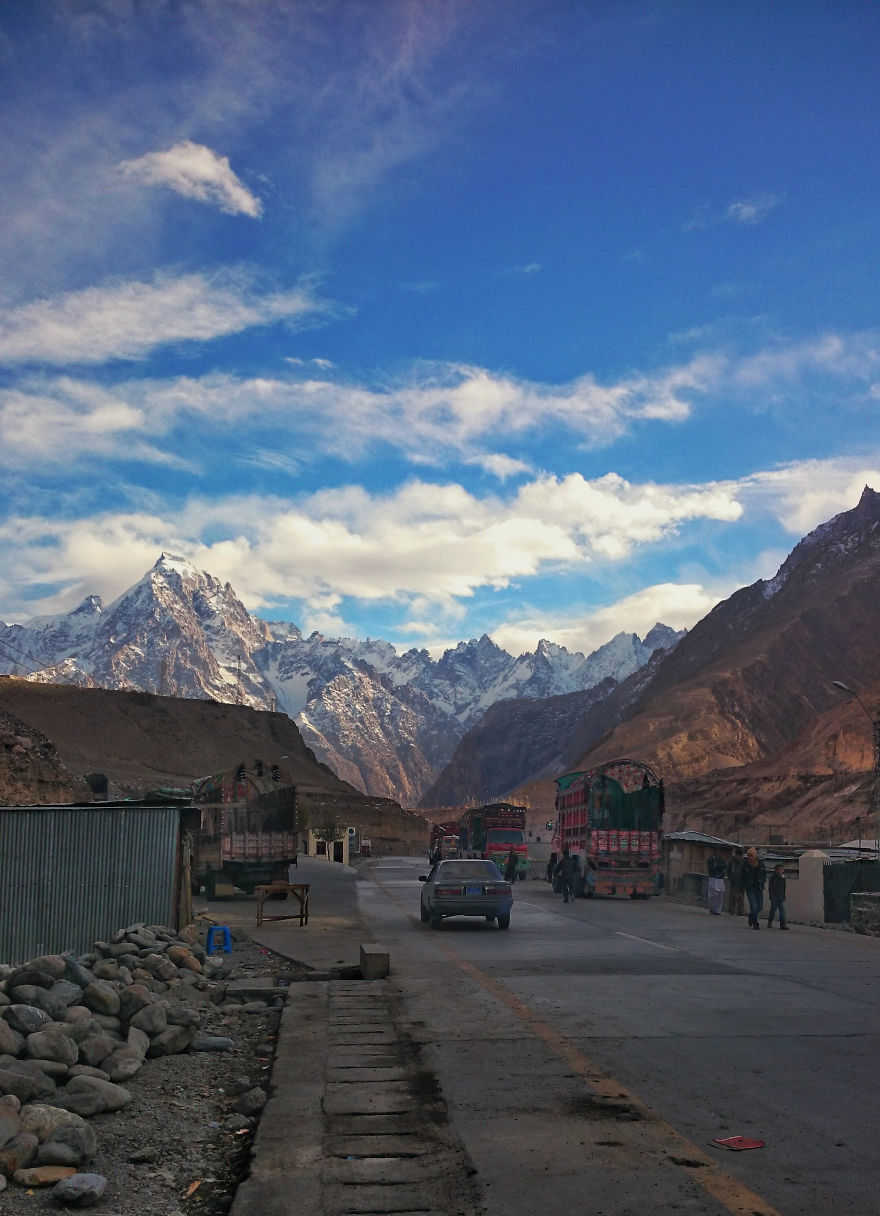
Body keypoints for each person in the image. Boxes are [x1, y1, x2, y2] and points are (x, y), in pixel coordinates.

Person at [742, 847, 767, 929]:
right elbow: (741, 876)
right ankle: (755, 923)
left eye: (751, 855)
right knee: (754, 906)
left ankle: (751, 916)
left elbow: (764, 874)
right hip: (750, 888)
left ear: (755, 855)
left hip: (759, 887)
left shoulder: (761, 864)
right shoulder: (745, 865)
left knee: (760, 907)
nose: (750, 857)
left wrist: (763, 881)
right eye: (748, 855)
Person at [767, 863, 789, 929]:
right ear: (776, 870)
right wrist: (772, 896)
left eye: (781, 869)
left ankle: (783, 925)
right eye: (779, 869)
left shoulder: (783, 878)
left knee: (782, 911)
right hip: (774, 897)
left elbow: (784, 887)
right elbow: (770, 887)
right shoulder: (773, 878)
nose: (780, 871)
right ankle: (770, 922)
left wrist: (783, 895)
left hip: (781, 897)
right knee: (772, 911)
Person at [726, 847, 746, 916]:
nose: (738, 857)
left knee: (741, 897)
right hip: (733, 881)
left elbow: (745, 872)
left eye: (739, 856)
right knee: (732, 897)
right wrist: (730, 877)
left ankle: (740, 911)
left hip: (741, 882)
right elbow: (728, 870)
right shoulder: (732, 861)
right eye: (737, 855)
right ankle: (731, 910)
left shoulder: (744, 862)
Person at [706, 849, 726, 915]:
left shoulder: (721, 860)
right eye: (716, 851)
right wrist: (714, 867)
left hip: (720, 878)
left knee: (719, 895)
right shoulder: (710, 859)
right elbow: (710, 868)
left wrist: (717, 866)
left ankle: (717, 910)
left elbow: (724, 865)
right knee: (712, 894)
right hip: (713, 877)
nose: (718, 852)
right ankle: (712, 908)